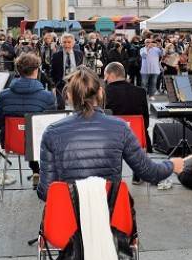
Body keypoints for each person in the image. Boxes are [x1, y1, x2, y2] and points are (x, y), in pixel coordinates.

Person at [37, 67, 184, 201]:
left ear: (68, 96)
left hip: (68, 219)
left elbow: (45, 192)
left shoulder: (51, 132)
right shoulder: (120, 128)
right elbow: (149, 172)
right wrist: (171, 165)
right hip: (110, 213)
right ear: (100, 92)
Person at [0, 53, 56, 186]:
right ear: (36, 70)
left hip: (11, 142)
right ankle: (41, 172)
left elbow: (0, 122)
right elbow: (52, 125)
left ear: (18, 70)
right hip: (37, 145)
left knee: (29, 133)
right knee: (37, 133)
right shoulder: (47, 96)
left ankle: (36, 171)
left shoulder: (4, 95)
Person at [104, 61, 151, 184]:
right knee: (140, 130)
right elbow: (145, 119)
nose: (105, 79)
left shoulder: (104, 92)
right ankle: (138, 174)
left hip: (113, 138)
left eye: (106, 76)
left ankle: (114, 174)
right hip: (136, 137)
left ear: (111, 75)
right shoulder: (140, 91)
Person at [50, 33, 84, 109]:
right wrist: (55, 84)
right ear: (61, 43)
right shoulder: (56, 56)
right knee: (61, 106)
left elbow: (81, 69)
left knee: (78, 106)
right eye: (64, 42)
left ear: (73, 43)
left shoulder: (79, 54)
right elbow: (52, 72)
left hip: (76, 84)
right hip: (61, 85)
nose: (66, 44)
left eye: (69, 42)